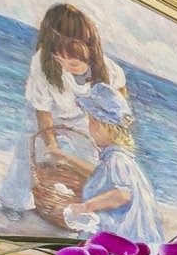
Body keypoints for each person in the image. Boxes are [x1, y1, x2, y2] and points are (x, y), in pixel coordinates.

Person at [0, 3, 128, 218]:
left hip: (84, 117)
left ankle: (84, 209)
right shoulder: (41, 62)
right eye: (59, 59)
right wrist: (51, 145)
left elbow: (120, 103)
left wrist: (109, 132)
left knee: (92, 161)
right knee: (29, 150)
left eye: (73, 63)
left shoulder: (109, 70)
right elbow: (43, 111)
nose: (65, 66)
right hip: (45, 108)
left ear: (89, 53)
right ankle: (13, 202)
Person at [65, 82, 164, 246]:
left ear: (101, 126)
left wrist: (86, 207)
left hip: (122, 235)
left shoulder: (117, 158)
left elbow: (122, 195)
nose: (89, 128)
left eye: (91, 122)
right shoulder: (116, 157)